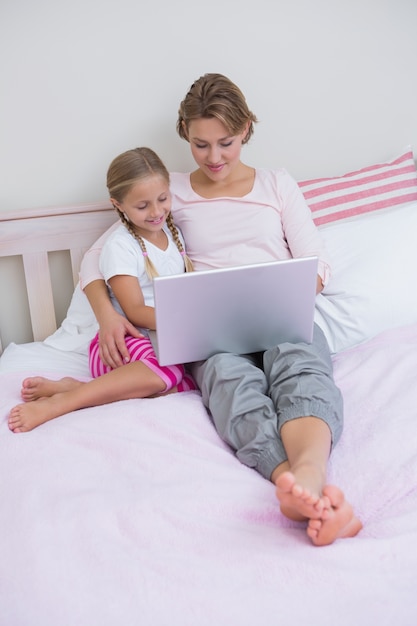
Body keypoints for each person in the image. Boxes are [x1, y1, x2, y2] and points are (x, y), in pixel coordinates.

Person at [15, 74, 362, 546]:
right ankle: (294, 486)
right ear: (184, 133)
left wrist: (295, 287)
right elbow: (96, 258)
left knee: (300, 370)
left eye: (226, 143)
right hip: (210, 328)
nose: (214, 158)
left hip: (279, 313)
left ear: (247, 131)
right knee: (229, 383)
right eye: (201, 145)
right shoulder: (167, 193)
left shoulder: (277, 184)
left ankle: (308, 475)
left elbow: (317, 258)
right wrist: (108, 314)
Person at [8, 147, 197, 433]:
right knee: (166, 372)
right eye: (142, 206)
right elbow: (133, 311)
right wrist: (185, 323)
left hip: (160, 339)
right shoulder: (120, 246)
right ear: (118, 204)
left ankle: (77, 388)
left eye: (162, 199)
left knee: (189, 385)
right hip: (121, 343)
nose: (156, 211)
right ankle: (62, 403)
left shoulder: (174, 234)